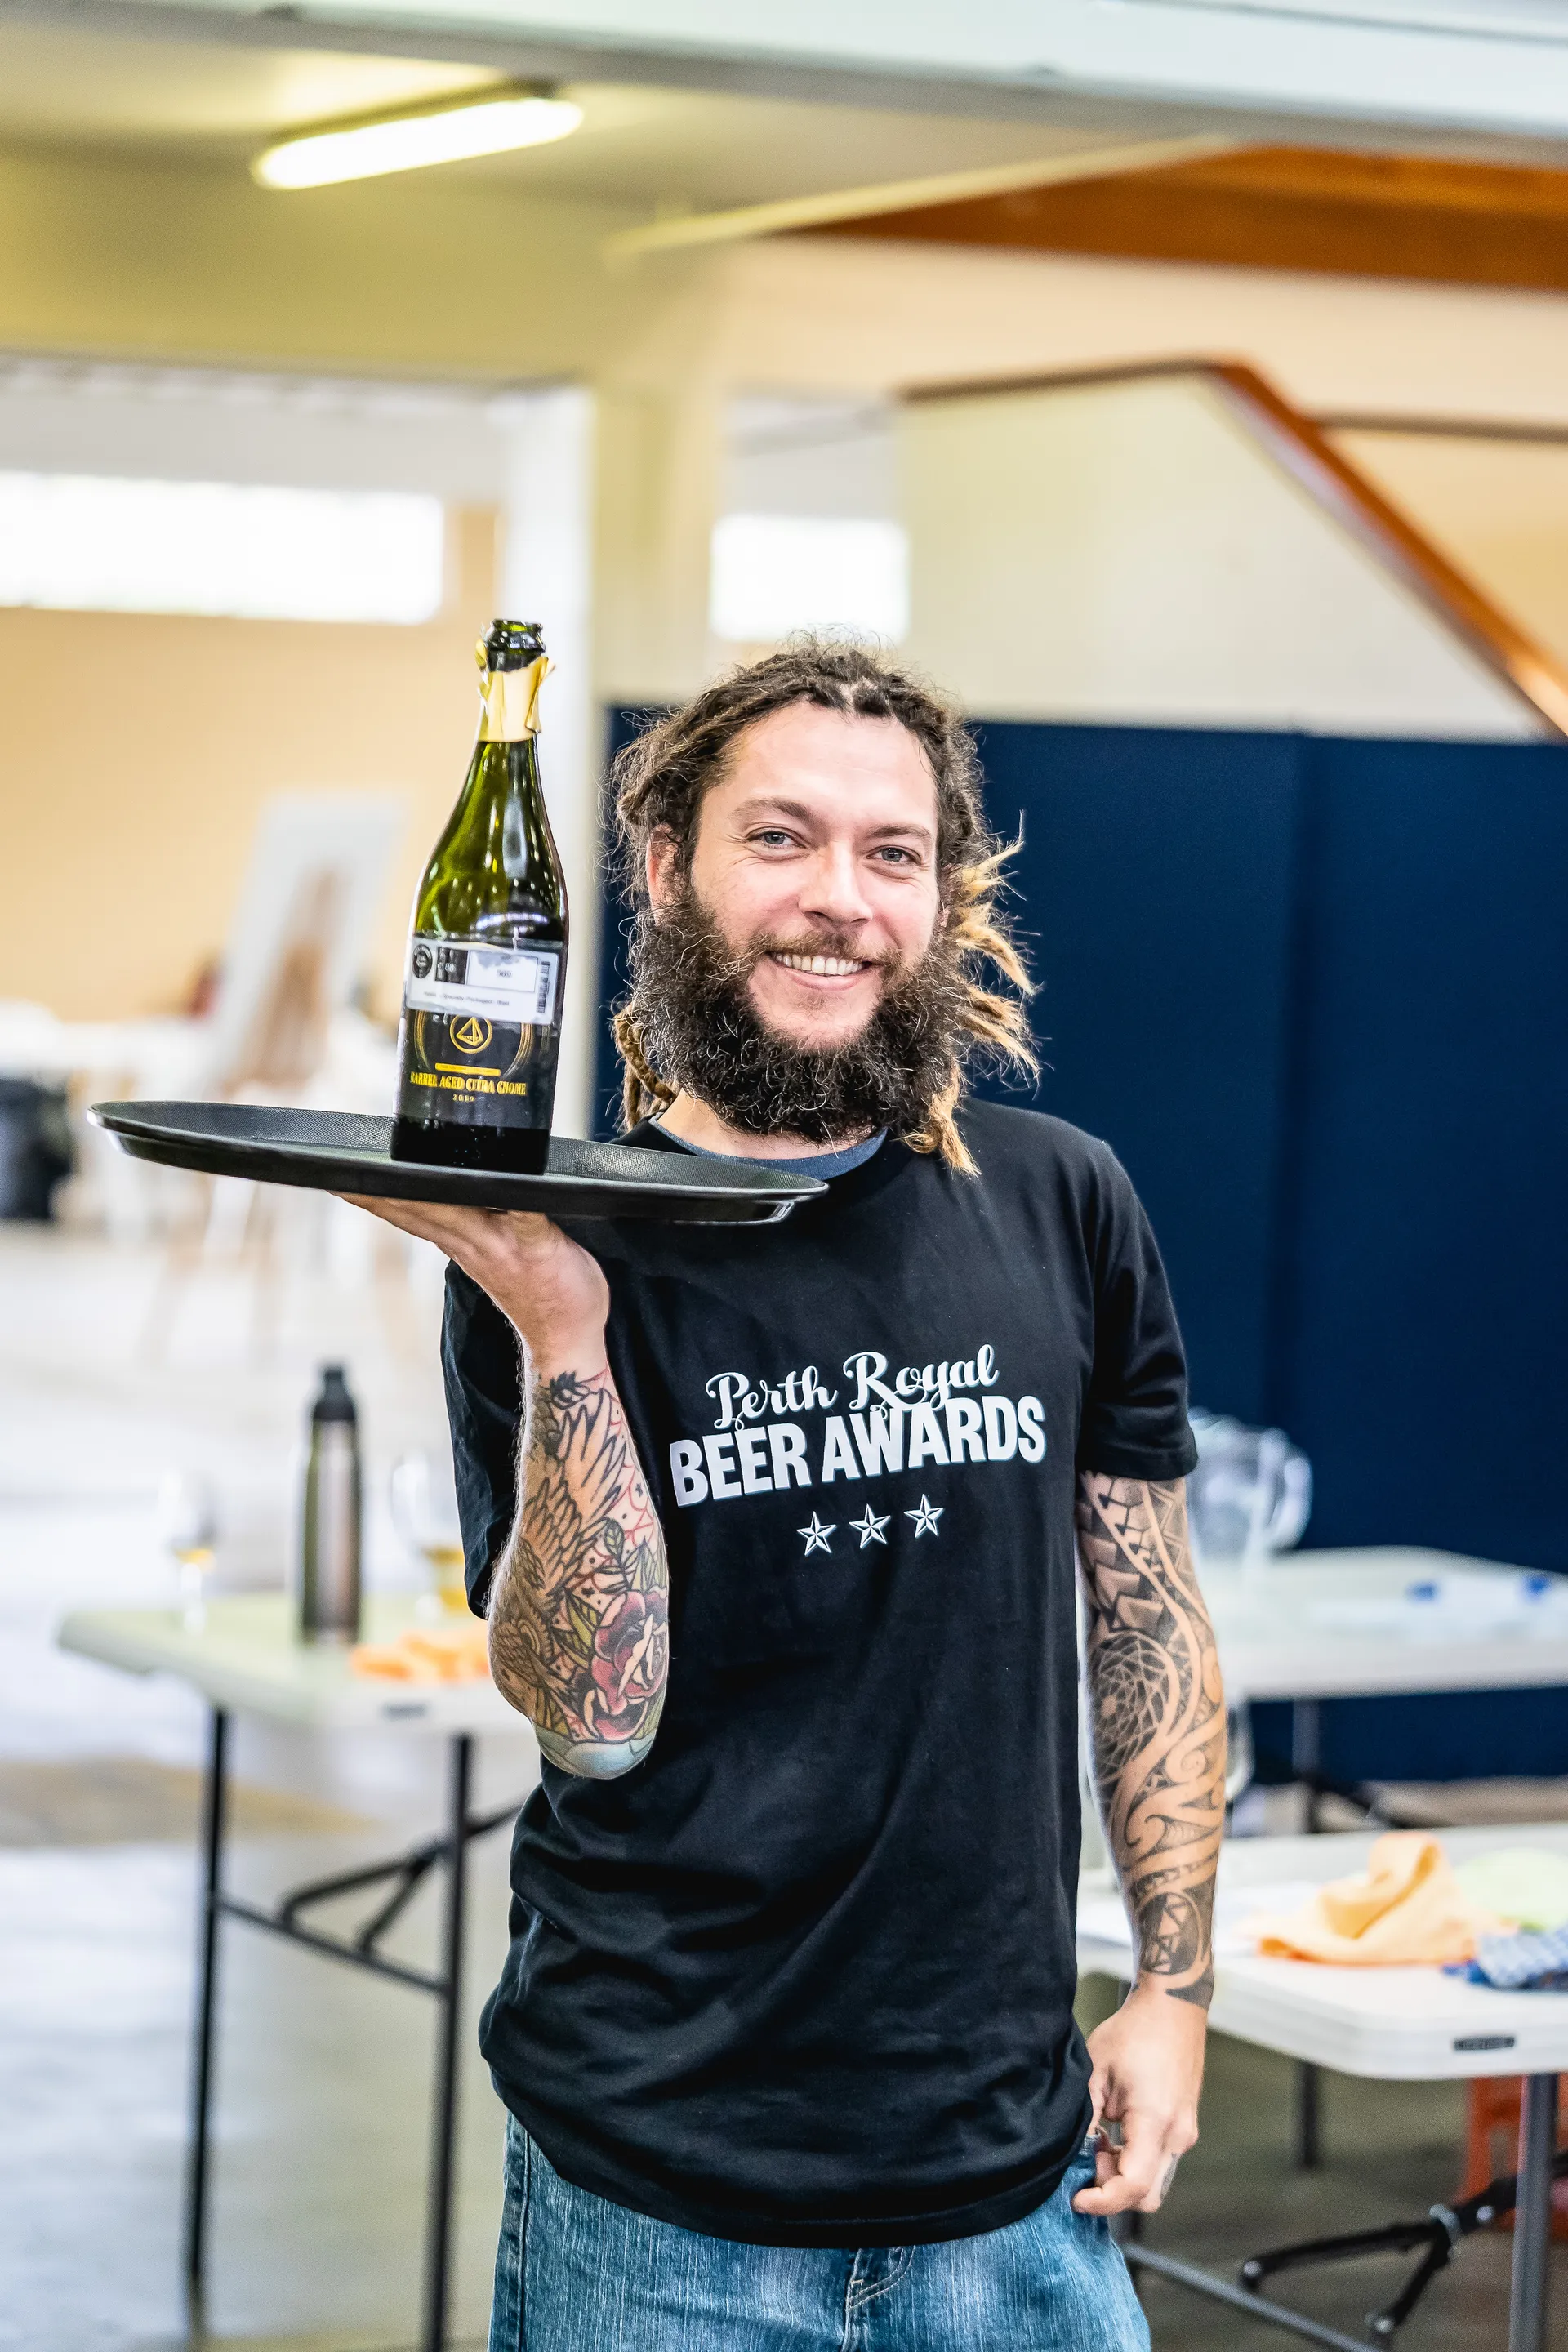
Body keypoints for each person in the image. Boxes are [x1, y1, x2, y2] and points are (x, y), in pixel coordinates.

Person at [351, 642, 1225, 2352]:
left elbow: (1153, 1623)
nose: (840, 901)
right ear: (667, 864)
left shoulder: (1064, 1203)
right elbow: (588, 1716)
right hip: (660, 2195)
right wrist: (565, 1337)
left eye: (893, 854)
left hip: (1016, 2192)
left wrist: (1179, 1990)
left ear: (944, 896)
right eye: (783, 839)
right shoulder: (552, 1242)